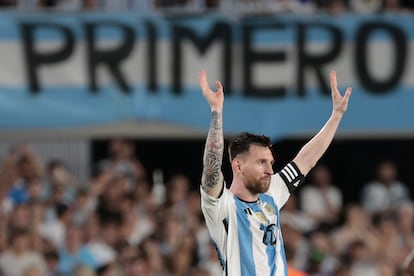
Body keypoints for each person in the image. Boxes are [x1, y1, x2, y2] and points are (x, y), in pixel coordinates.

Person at [198, 69, 351, 275]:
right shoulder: (222, 207)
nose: (270, 170)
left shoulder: (272, 192)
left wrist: (336, 116)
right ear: (238, 166)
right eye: (261, 162)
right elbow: (211, 168)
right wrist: (216, 112)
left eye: (270, 163)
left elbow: (306, 159)